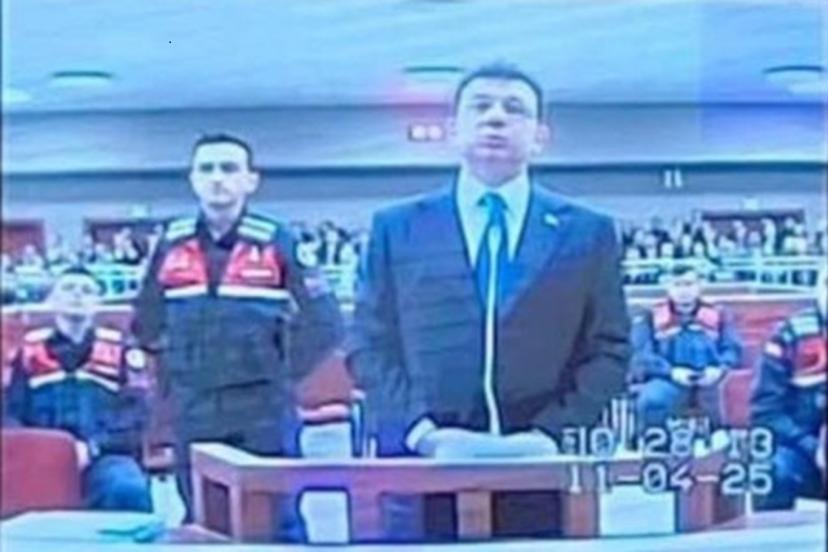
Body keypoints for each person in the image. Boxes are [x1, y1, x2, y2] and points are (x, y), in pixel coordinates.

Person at [348, 63, 630, 539]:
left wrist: (552, 434)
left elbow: (610, 348)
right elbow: (368, 344)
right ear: (453, 130)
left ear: (540, 137)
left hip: (543, 466)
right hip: (425, 464)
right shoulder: (397, 228)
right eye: (480, 106)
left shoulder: (587, 232)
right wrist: (421, 431)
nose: (495, 118)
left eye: (514, 109)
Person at [131, 133, 344, 540]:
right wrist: (174, 374)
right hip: (194, 407)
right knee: (203, 521)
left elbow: (326, 322)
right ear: (192, 179)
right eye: (206, 169)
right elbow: (146, 321)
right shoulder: (170, 243)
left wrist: (280, 371)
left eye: (229, 169)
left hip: (263, 409)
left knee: (278, 520)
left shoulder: (278, 240)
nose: (217, 178)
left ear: (250, 180)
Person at [5, 266, 152, 512]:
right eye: (68, 288)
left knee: (128, 489)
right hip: (42, 456)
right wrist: (42, 449)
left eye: (86, 290)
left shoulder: (120, 351)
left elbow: (136, 415)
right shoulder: (29, 354)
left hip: (104, 456)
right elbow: (10, 413)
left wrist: (94, 447)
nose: (77, 295)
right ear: (52, 299)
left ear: (97, 302)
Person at [751, 267, 826, 510]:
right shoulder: (788, 334)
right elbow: (766, 411)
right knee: (773, 473)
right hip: (801, 446)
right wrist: (811, 446)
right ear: (817, 289)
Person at [632, 264, 743, 430]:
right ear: (667, 286)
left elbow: (732, 348)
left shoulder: (719, 313)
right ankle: (657, 442)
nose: (683, 291)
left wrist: (720, 369)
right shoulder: (650, 316)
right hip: (669, 380)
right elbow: (641, 355)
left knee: (735, 398)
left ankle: (724, 440)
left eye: (689, 284)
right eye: (677, 285)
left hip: (712, 379)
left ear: (700, 285)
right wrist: (671, 372)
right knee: (651, 400)